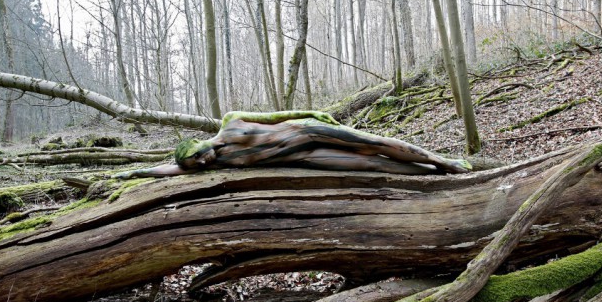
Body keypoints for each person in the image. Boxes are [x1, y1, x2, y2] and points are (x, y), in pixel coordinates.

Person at [113, 110, 471, 179]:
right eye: (196, 167)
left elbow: (274, 114)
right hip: (307, 156)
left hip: (305, 132)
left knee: (371, 144)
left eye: (198, 159)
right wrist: (132, 173)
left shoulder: (231, 122)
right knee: (369, 163)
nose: (202, 165)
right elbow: (168, 169)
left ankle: (445, 161)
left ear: (198, 145)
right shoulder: (216, 164)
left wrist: (316, 114)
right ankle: (429, 172)